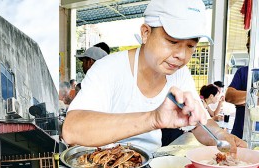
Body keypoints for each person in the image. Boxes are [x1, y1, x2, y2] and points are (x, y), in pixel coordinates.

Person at [63, 0, 246, 155]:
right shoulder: (108, 69)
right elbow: (72, 129)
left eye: (190, 46)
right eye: (172, 41)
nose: (181, 55)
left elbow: (200, 123)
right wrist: (153, 119)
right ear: (145, 33)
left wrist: (220, 137)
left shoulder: (180, 74)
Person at [225, 30, 250, 139]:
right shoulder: (243, 72)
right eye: (248, 45)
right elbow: (230, 96)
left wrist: (244, 100)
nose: (249, 49)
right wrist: (255, 97)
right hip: (239, 132)